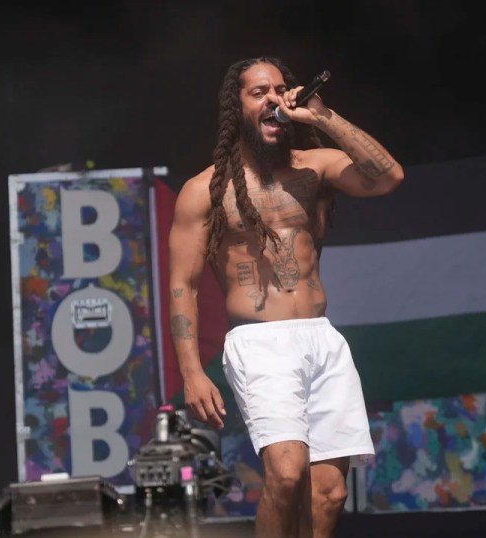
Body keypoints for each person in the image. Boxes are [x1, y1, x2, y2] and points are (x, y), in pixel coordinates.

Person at [167, 56, 404, 538]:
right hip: (260, 343)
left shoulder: (313, 168)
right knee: (287, 472)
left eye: (280, 90)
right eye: (259, 92)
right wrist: (191, 373)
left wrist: (323, 117)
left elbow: (387, 177)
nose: (273, 99)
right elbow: (183, 287)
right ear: (238, 108)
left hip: (320, 339)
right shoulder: (205, 191)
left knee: (329, 493)